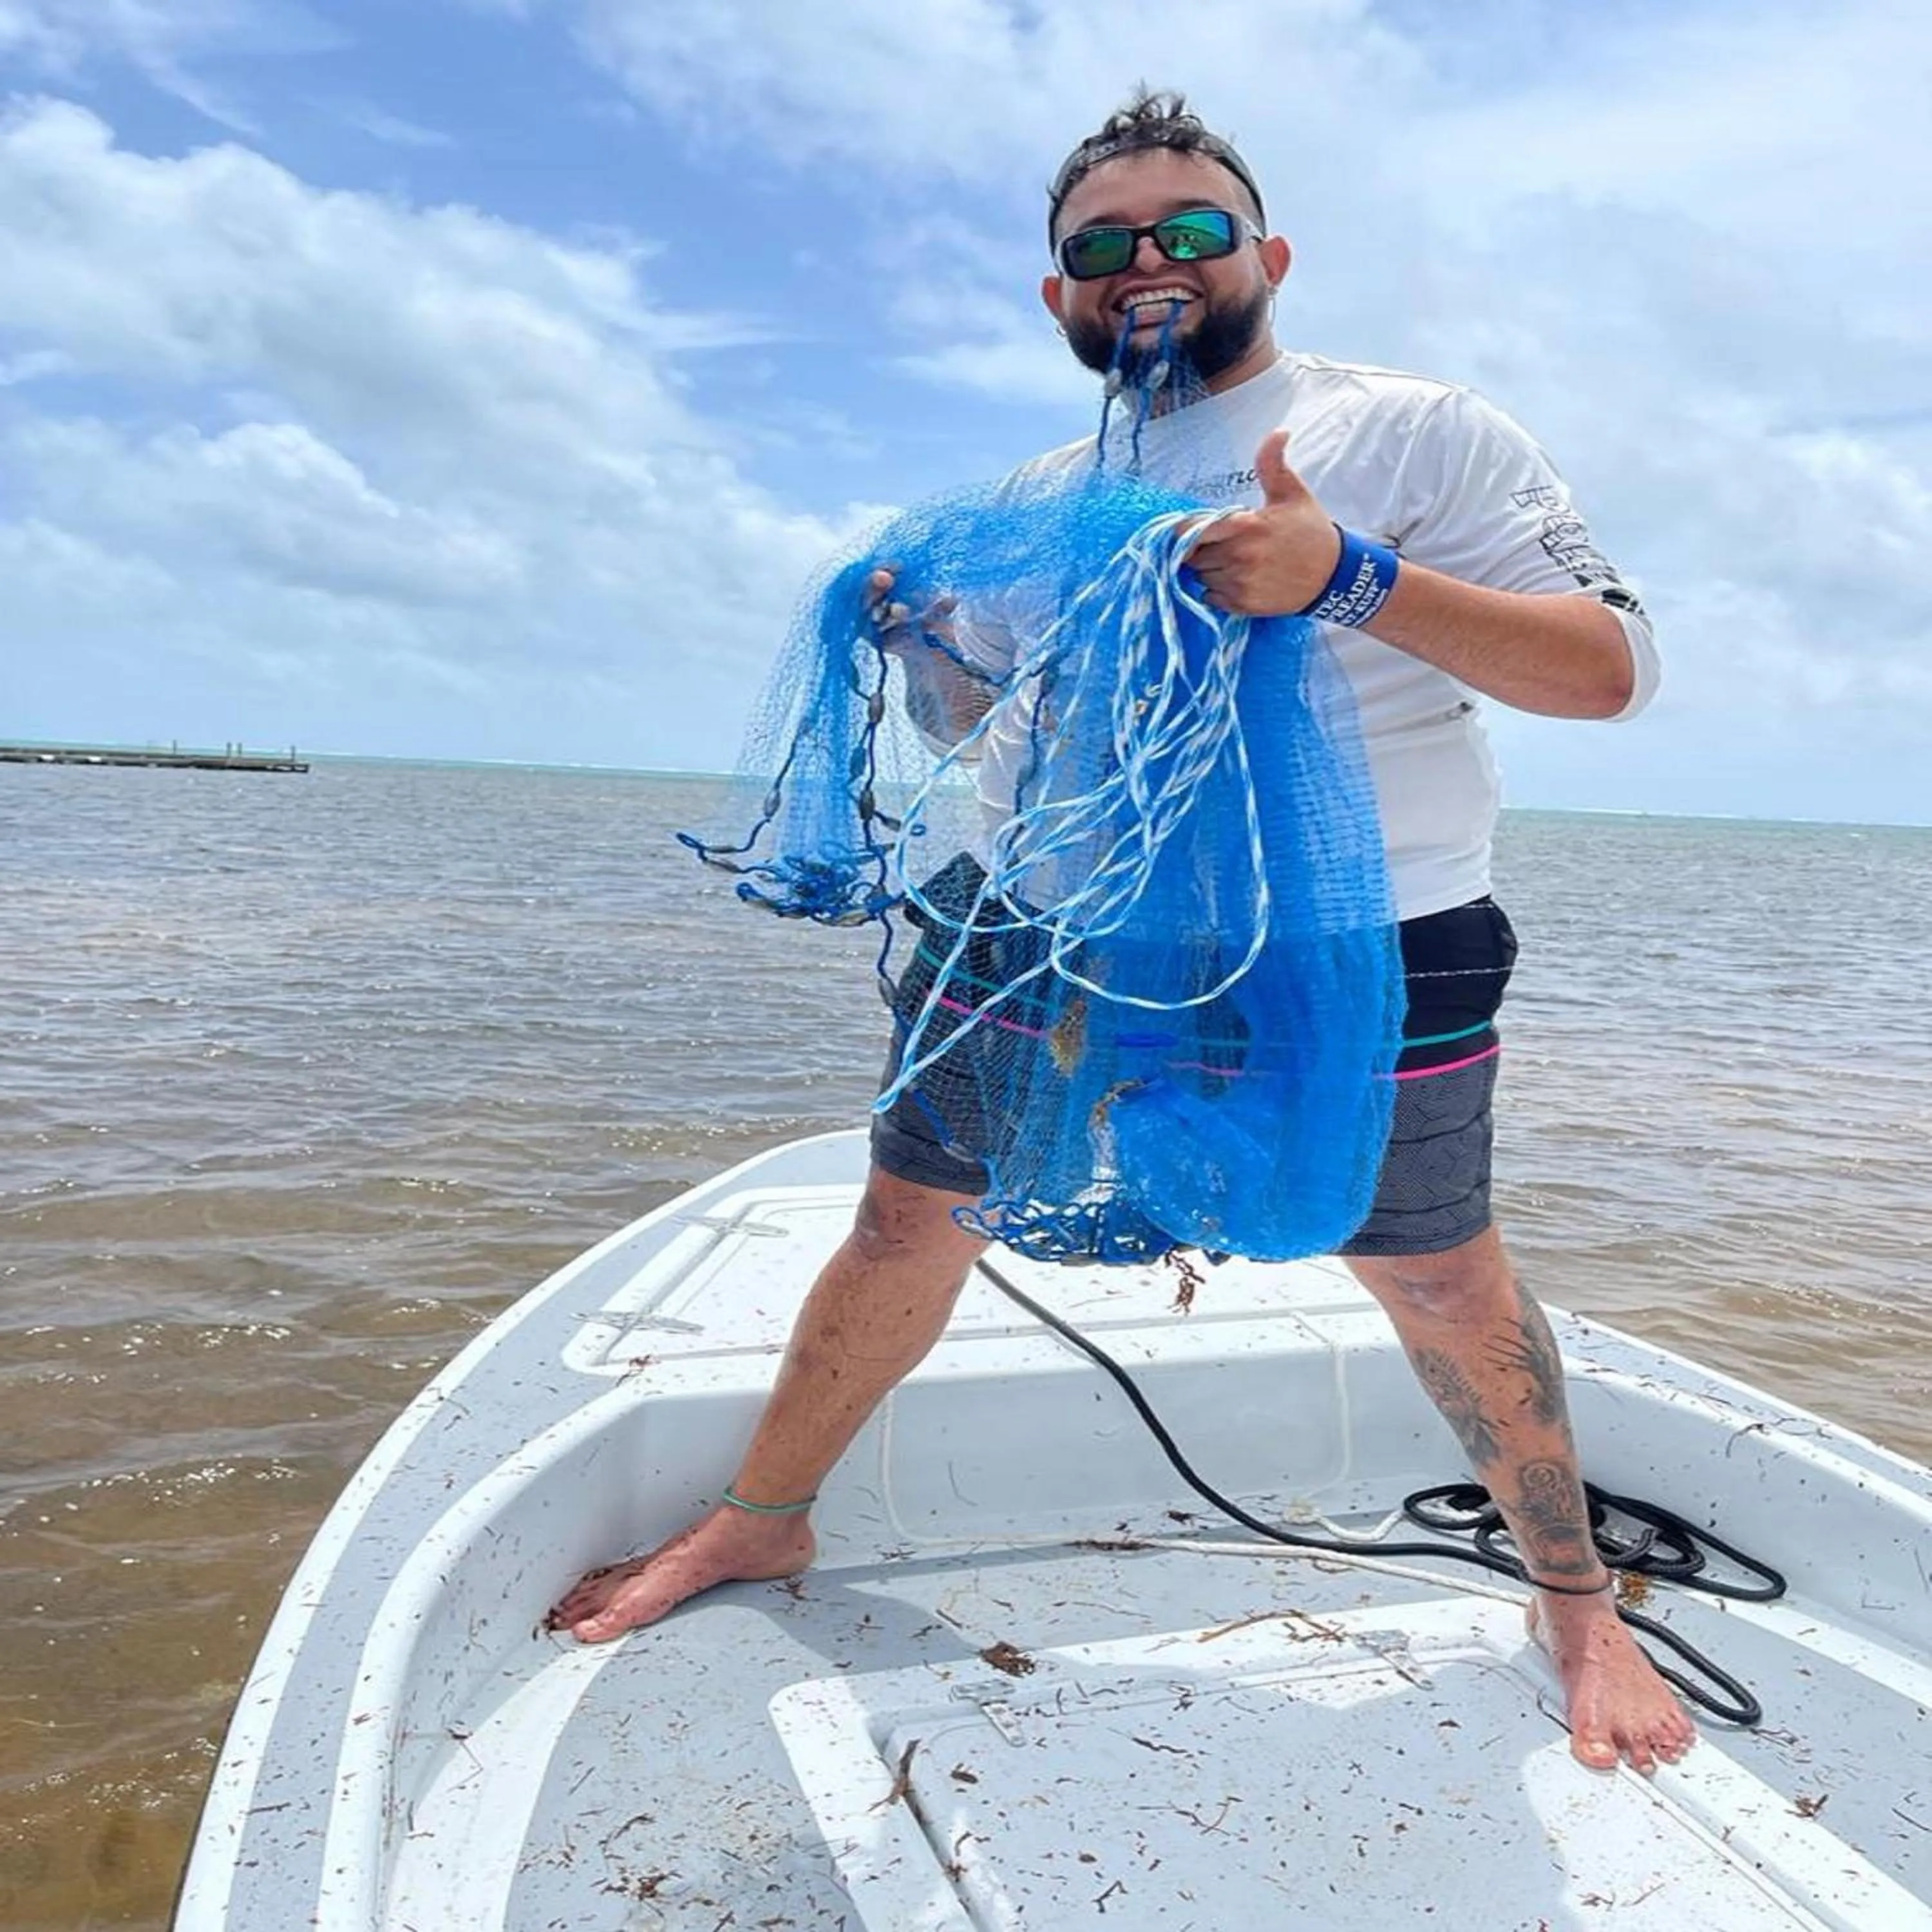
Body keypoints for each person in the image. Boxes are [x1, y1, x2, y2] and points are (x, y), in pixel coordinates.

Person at [550, 88, 1691, 1776]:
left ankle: (1577, 1604)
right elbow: (983, 717)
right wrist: (921, 635)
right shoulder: (1041, 490)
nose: (1147, 261)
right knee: (901, 1227)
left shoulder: (1416, 434)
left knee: (1439, 1274)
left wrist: (1343, 579)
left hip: (1365, 943)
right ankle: (762, 1520)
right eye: (1102, 245)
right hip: (1032, 929)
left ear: (1268, 257)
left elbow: (1609, 670)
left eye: (1191, 230)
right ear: (1060, 295)